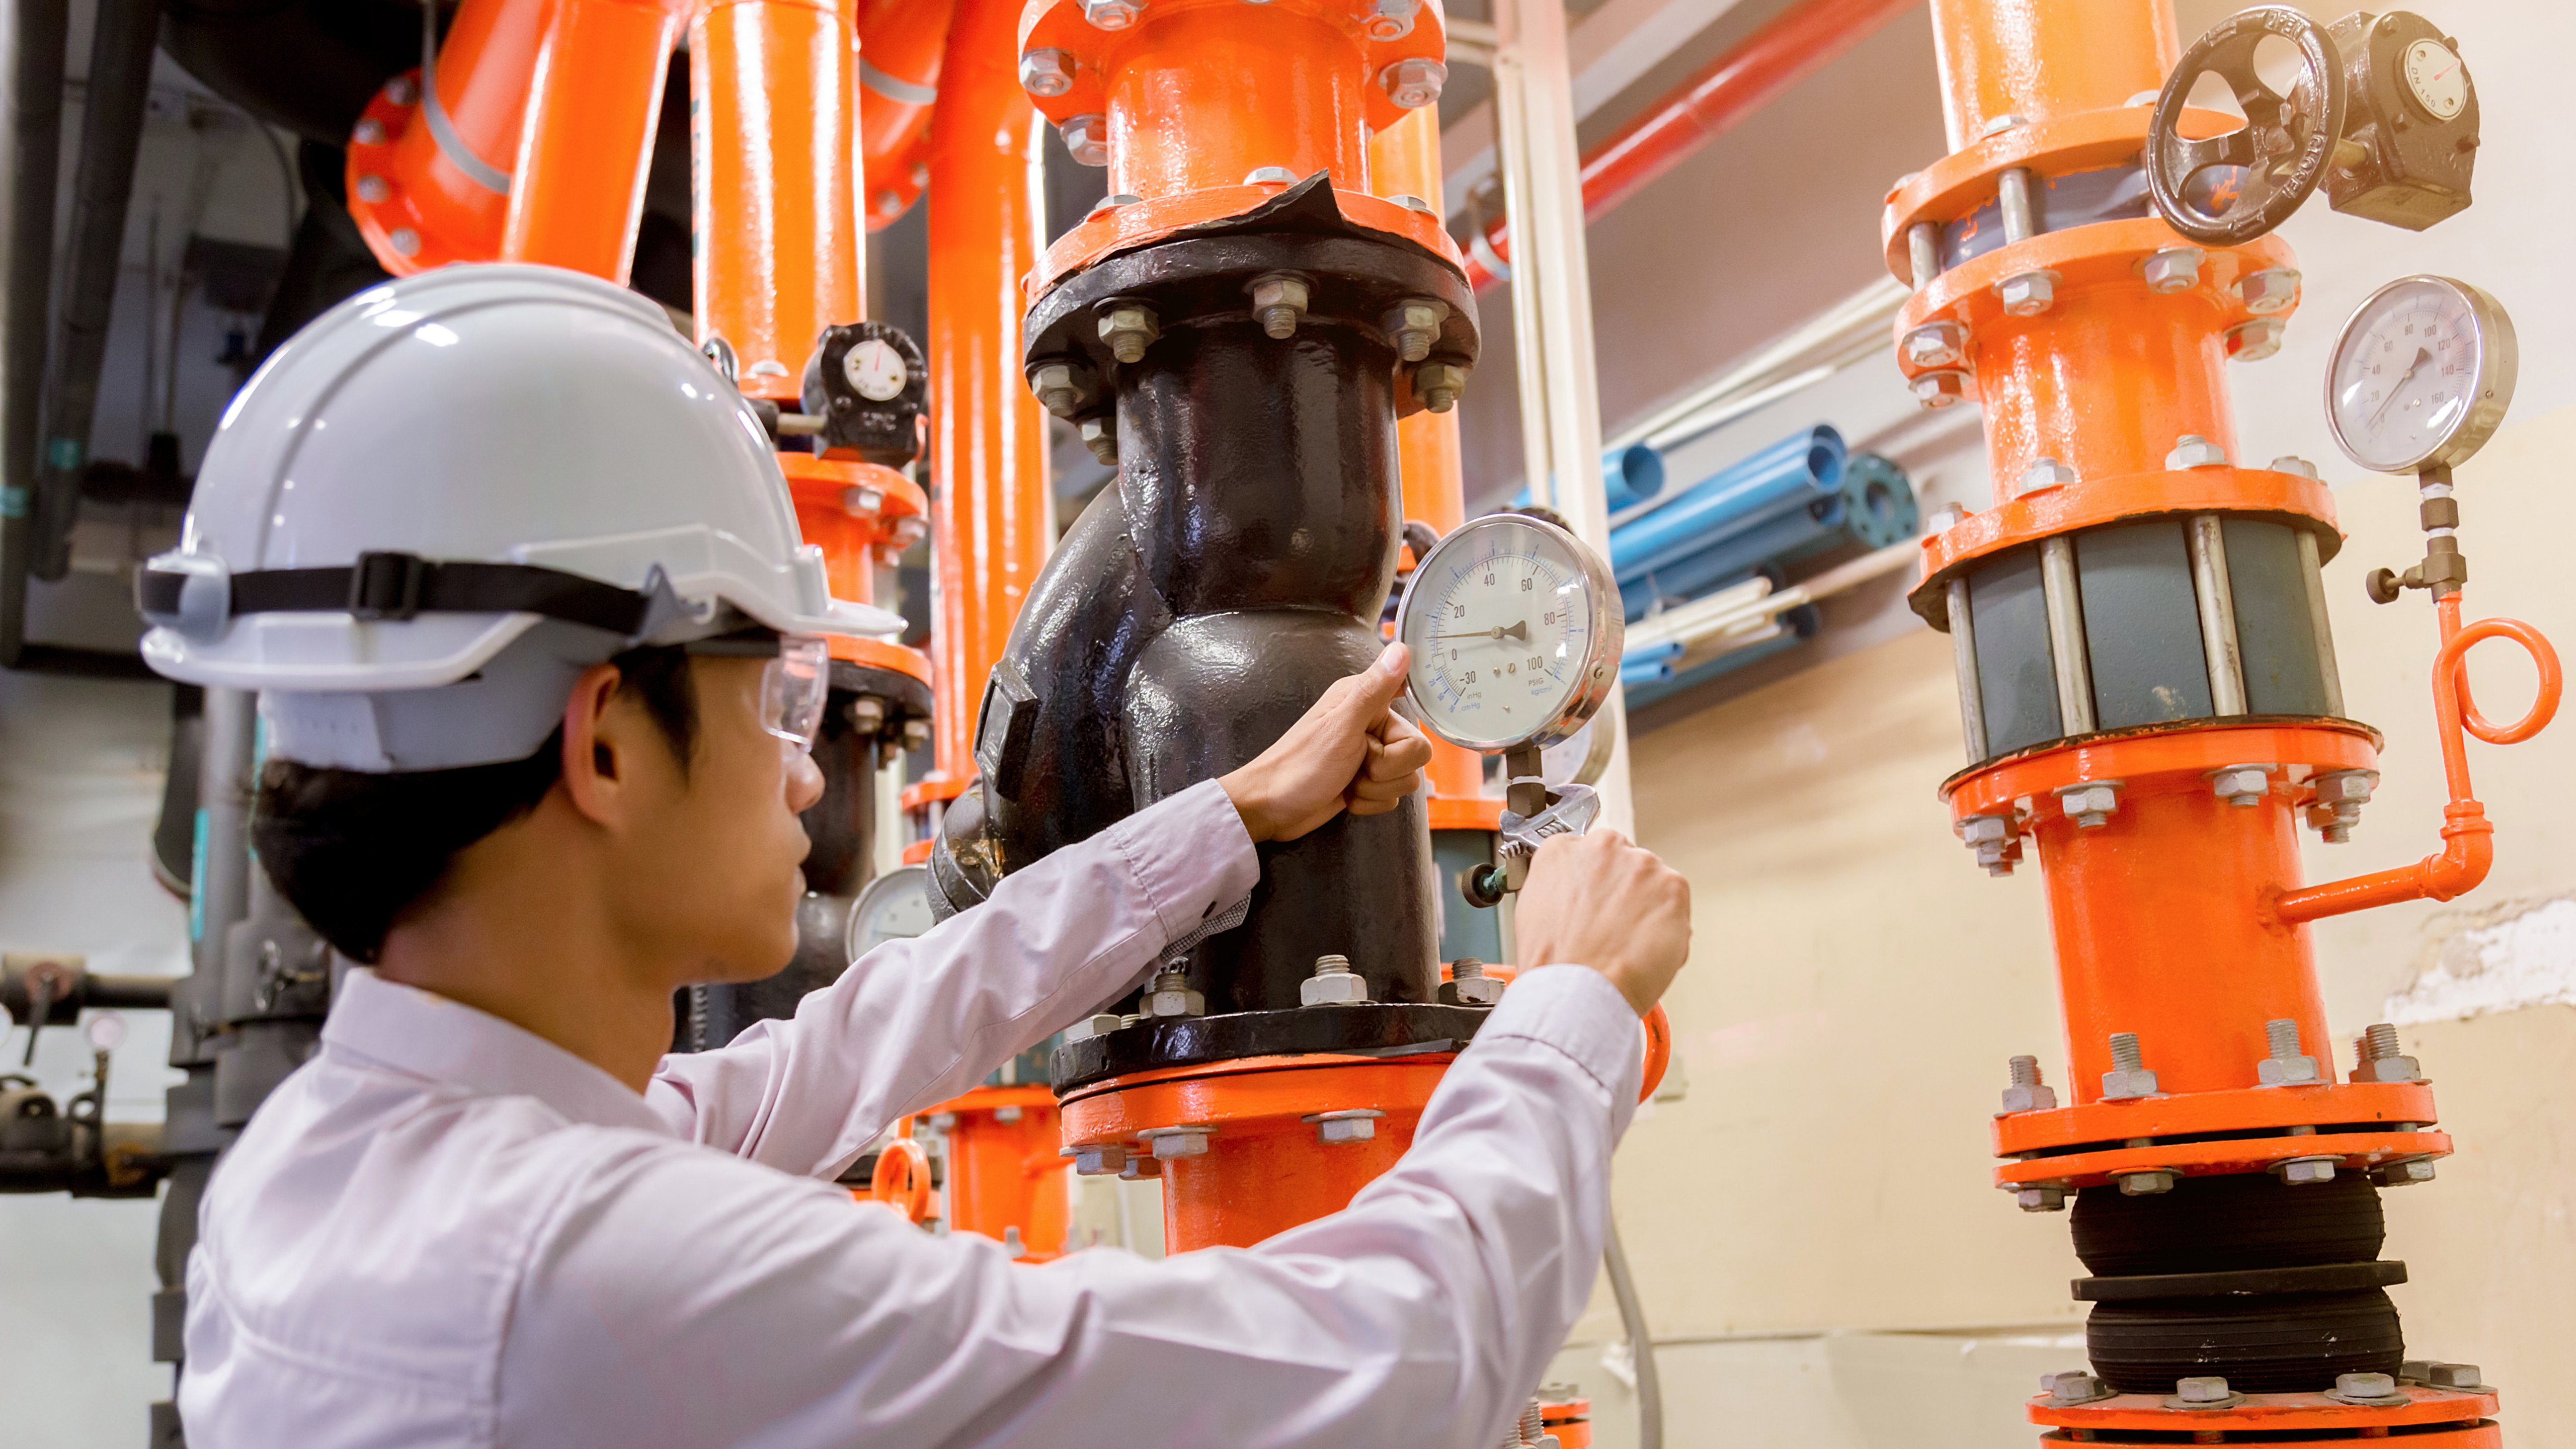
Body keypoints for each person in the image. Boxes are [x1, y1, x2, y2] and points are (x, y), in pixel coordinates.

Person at [141, 265, 1694, 1448]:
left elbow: (860, 1037)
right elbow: (1387, 1371)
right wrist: (1566, 1012)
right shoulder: (581, 1271)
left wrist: (1232, 816)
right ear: (605, 742)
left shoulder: (340, 1166)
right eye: (775, 698)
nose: (804, 767)